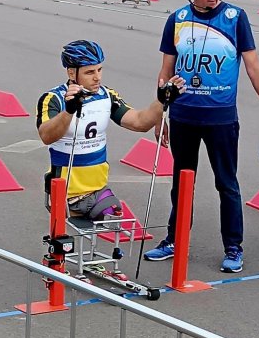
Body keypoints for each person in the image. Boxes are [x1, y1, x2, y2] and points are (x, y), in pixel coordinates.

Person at [144, 0, 259, 272]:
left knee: (226, 183)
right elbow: (165, 73)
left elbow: (254, 68)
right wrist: (159, 115)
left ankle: (233, 247)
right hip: (183, 115)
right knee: (182, 182)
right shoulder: (177, 20)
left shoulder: (236, 18)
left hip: (220, 117)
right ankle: (174, 239)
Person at [36, 40, 184, 220]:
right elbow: (46, 136)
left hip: (98, 191)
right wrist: (69, 110)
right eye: (89, 72)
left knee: (113, 220)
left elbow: (139, 122)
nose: (97, 77)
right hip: (64, 193)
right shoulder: (53, 99)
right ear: (71, 72)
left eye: (99, 70)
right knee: (65, 244)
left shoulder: (106, 95)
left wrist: (162, 101)